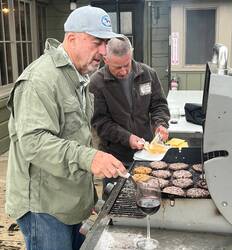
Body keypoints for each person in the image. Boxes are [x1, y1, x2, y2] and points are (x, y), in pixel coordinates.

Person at [5, 6, 126, 250]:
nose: (104, 52)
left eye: (106, 43)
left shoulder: (78, 76)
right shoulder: (39, 80)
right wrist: (90, 157)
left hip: (69, 200)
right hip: (45, 209)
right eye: (97, 42)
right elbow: (34, 143)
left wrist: (86, 197)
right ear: (72, 38)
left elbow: (76, 135)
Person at [90, 35, 170, 185]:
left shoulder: (147, 74)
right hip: (115, 158)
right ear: (105, 60)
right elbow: (101, 123)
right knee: (114, 200)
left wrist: (160, 124)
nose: (124, 71)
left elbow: (159, 105)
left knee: (147, 195)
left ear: (131, 55)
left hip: (147, 156)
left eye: (127, 64)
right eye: (117, 67)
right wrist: (127, 138)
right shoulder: (97, 83)